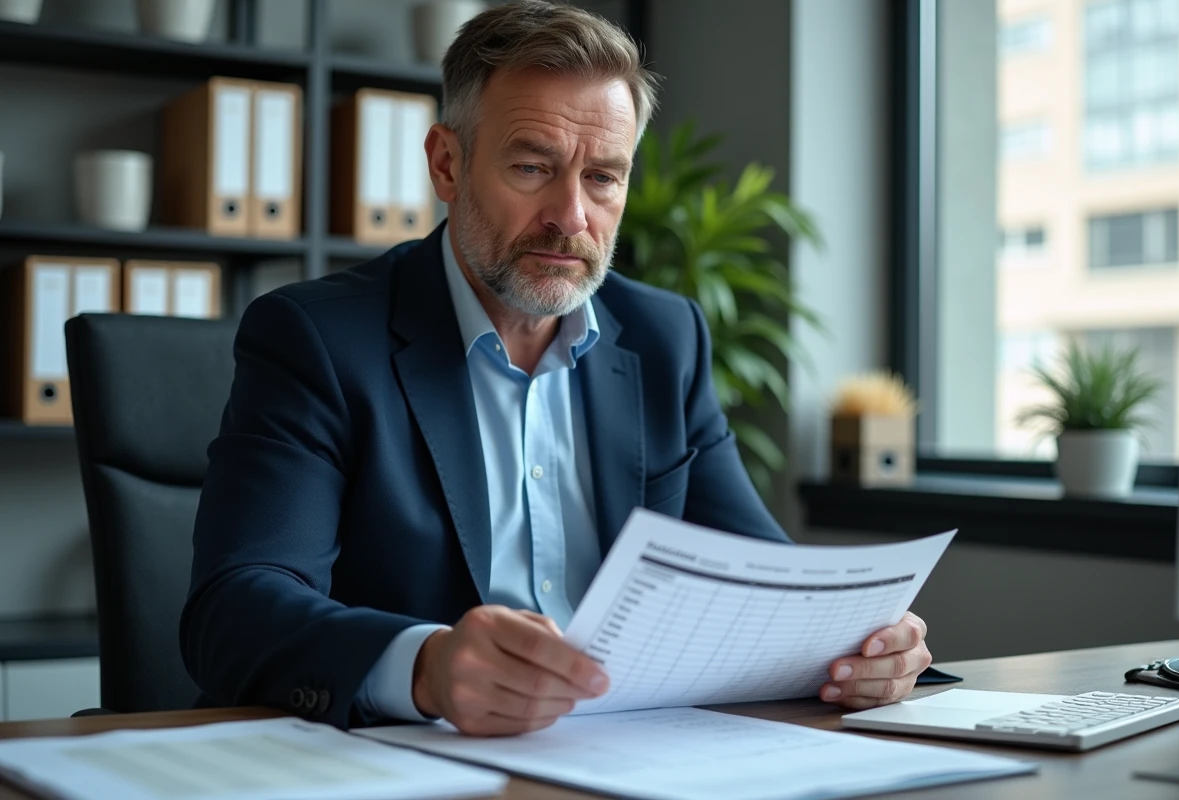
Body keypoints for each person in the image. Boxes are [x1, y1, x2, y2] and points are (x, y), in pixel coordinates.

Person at [181, 0, 932, 737]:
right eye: (533, 166)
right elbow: (236, 608)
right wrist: (426, 667)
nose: (571, 216)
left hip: (628, 756)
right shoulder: (317, 337)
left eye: (604, 177)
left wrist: (866, 651)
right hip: (410, 761)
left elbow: (768, 586)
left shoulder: (666, 340)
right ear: (448, 163)